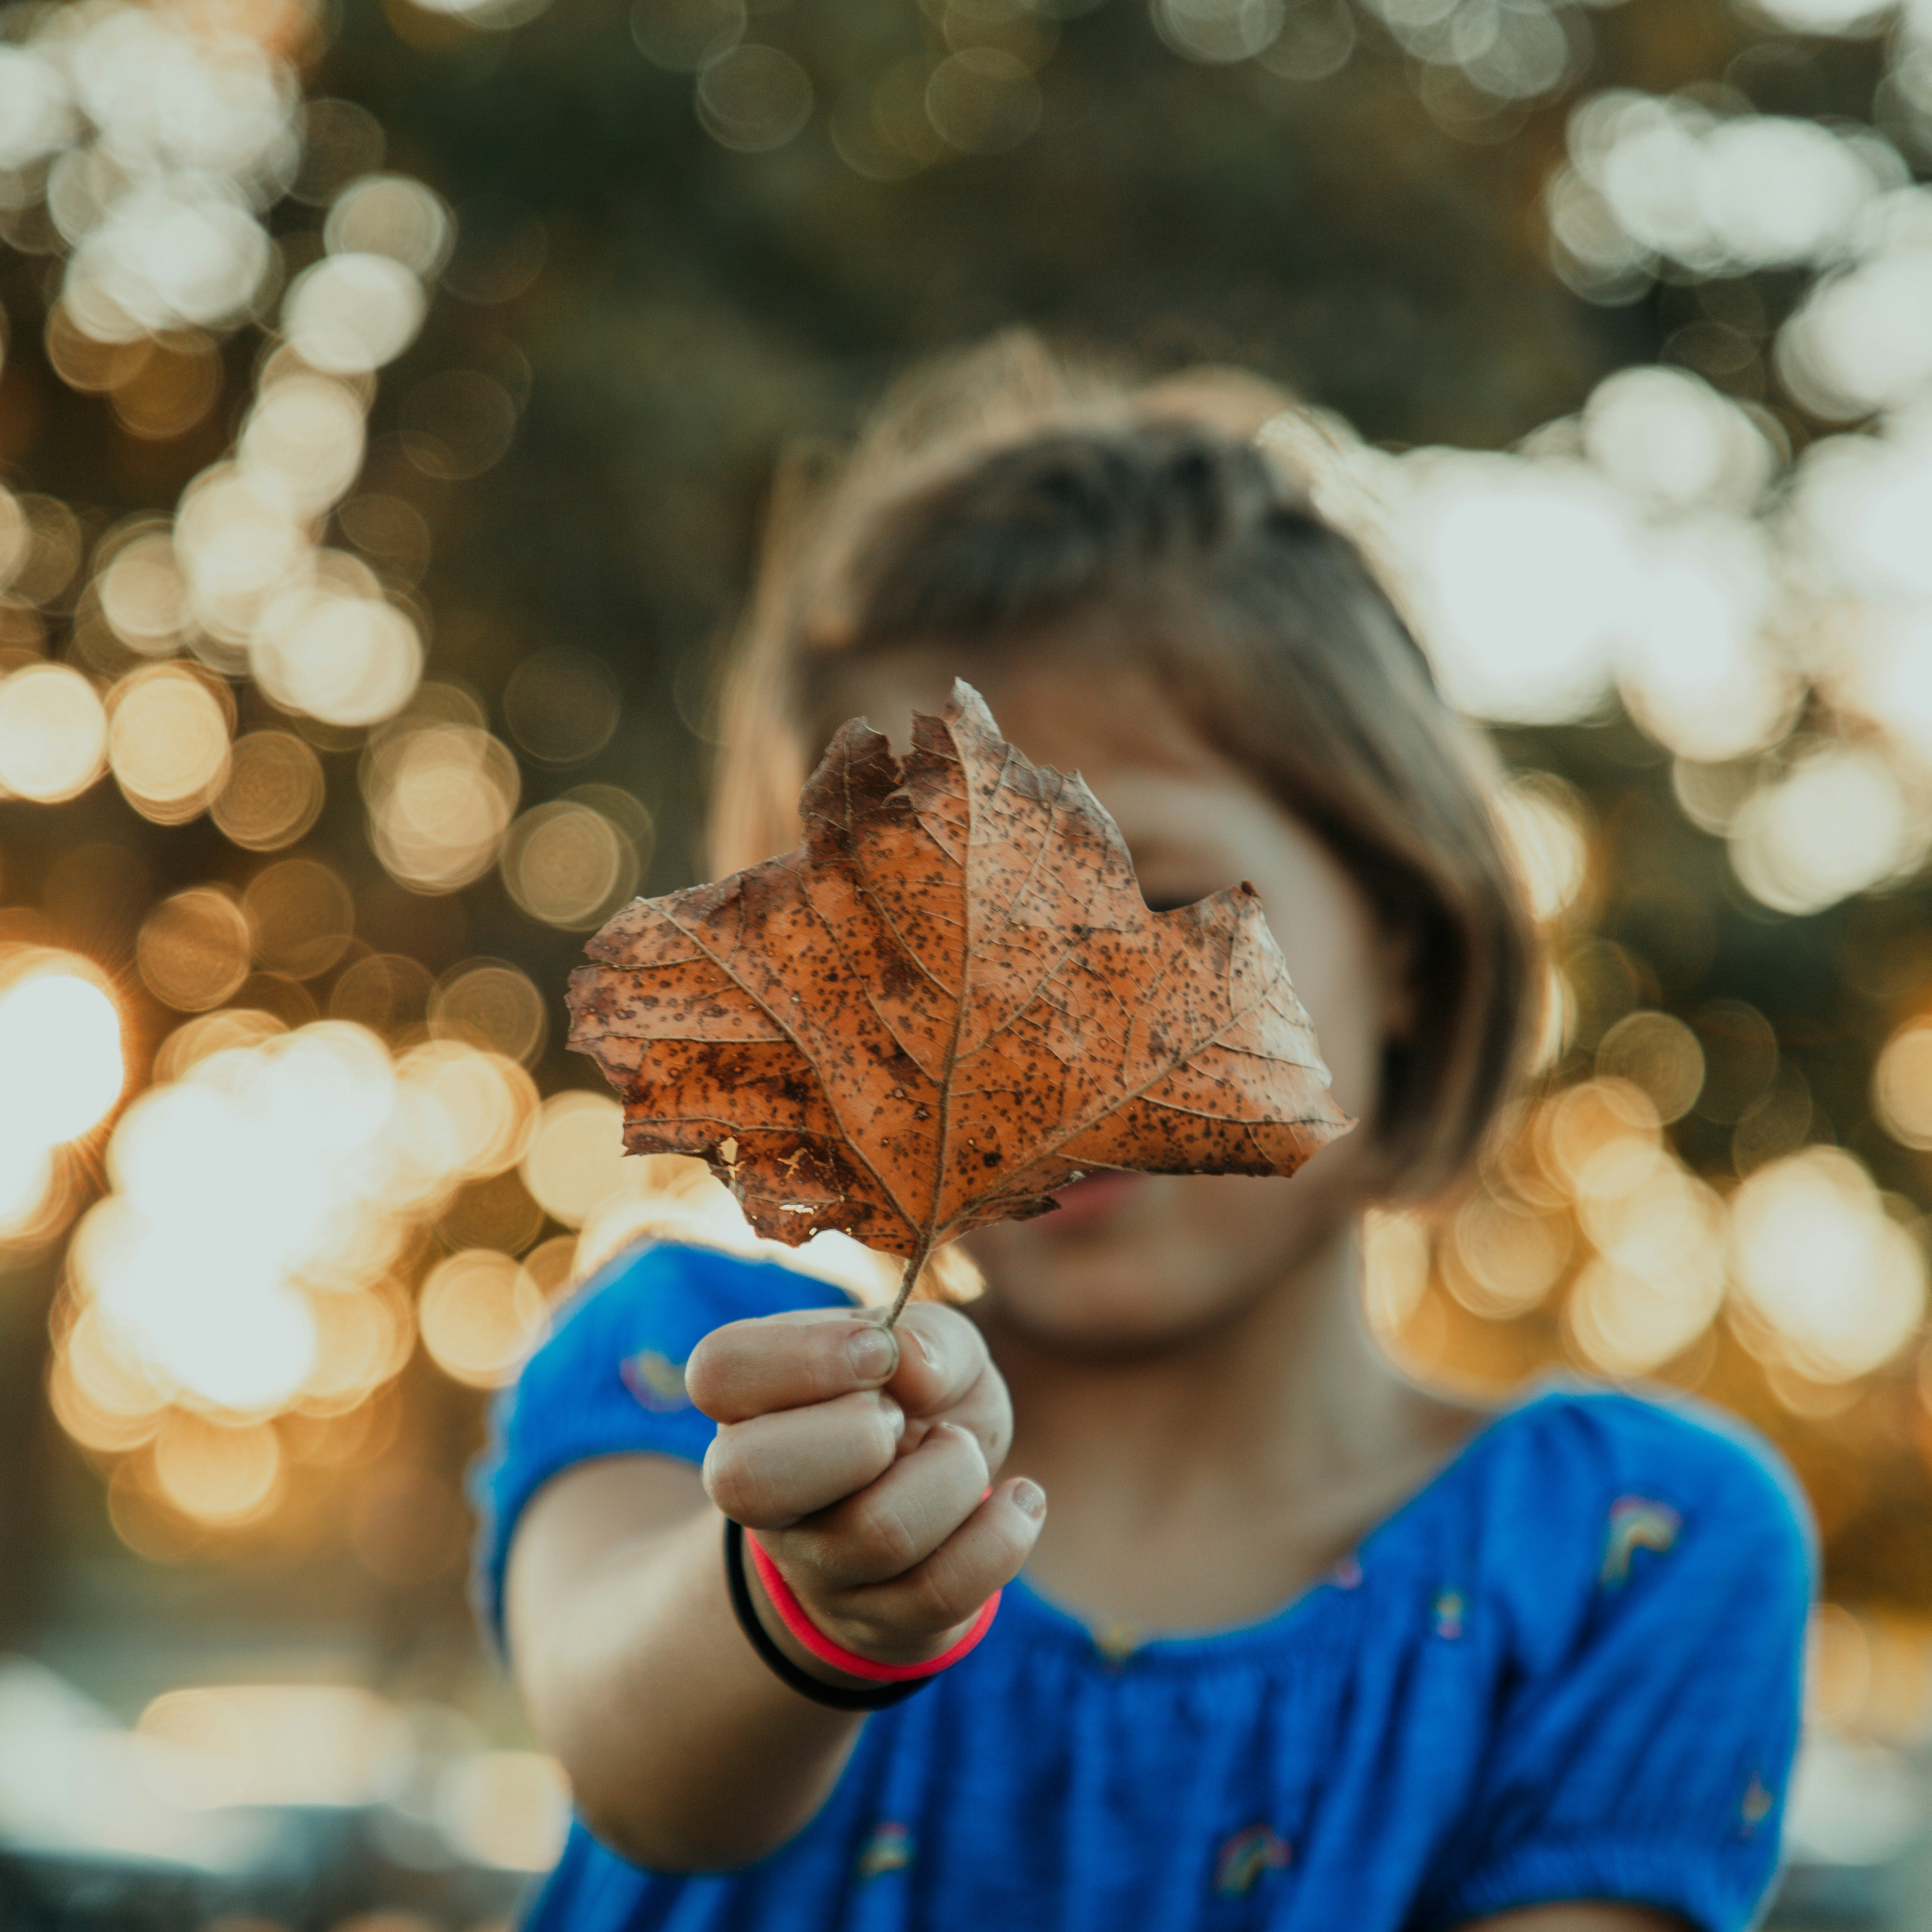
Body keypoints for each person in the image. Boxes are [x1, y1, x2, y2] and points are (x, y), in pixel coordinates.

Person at [475, 333, 1814, 1932]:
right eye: (912, 952)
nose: (1032, 1033)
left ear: (1401, 928)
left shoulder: (1626, 1556)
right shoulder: (696, 1379)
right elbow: (642, 1762)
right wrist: (800, 1599)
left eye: (1153, 899)